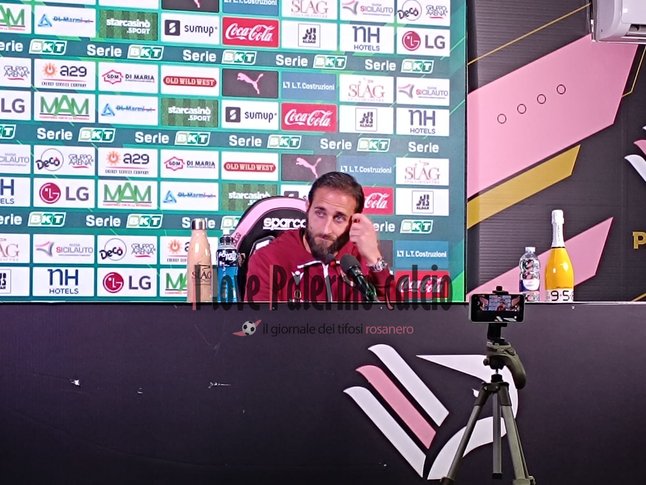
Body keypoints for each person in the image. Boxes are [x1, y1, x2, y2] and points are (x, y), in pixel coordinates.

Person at [244, 172, 391, 302]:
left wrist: (374, 258)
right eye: (320, 213)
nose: (326, 229)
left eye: (339, 218)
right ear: (308, 208)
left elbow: (395, 318)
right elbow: (259, 321)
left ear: (354, 221)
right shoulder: (268, 259)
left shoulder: (360, 257)